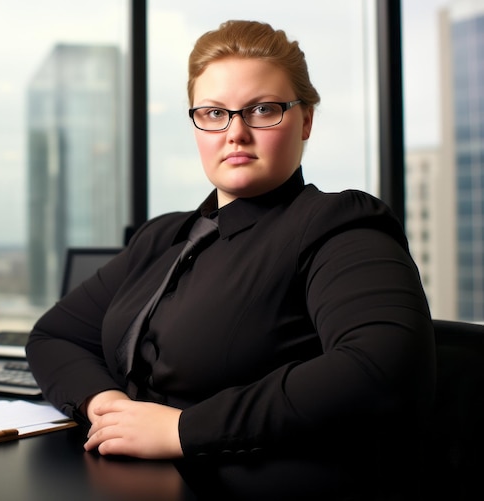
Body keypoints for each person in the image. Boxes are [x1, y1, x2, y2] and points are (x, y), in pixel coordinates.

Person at [27, 20, 435, 499]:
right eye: (215, 113)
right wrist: (106, 404)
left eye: (263, 110)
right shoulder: (165, 235)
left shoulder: (338, 224)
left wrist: (182, 430)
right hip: (126, 476)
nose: (236, 133)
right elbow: (54, 335)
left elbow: (381, 367)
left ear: (305, 120)